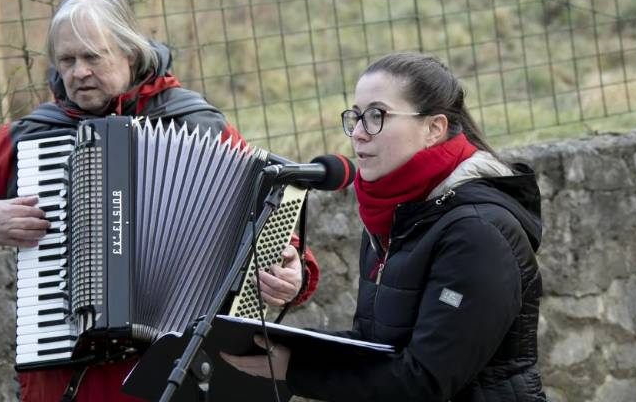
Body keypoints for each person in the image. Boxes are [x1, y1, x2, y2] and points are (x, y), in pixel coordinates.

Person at [0, 0, 319, 402]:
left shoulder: (195, 125)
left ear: (130, 53)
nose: (77, 72)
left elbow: (278, 233)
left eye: (92, 56)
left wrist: (291, 275)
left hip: (178, 375)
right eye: (67, 60)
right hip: (72, 377)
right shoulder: (36, 136)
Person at [222, 52, 547, 401]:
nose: (359, 134)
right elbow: (376, 346)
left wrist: (297, 370)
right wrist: (279, 344)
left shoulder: (479, 233)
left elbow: (425, 381)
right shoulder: (394, 214)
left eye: (377, 116)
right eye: (356, 117)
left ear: (433, 129)